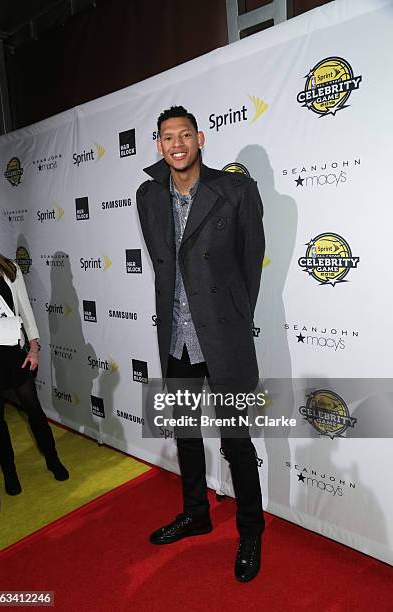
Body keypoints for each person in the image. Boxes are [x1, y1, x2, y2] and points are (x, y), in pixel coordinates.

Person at [136, 106, 265, 582]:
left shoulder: (234, 190)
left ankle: (251, 528)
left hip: (222, 336)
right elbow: (161, 262)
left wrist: (229, 316)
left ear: (200, 139)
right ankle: (196, 513)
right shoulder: (147, 196)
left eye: (185, 135)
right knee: (186, 435)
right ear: (158, 145)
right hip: (176, 338)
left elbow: (251, 263)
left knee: (236, 439)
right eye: (167, 136)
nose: (176, 143)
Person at [0, 221, 69, 495]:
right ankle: (9, 472)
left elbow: (25, 309)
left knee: (34, 411)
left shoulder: (10, 268)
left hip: (14, 353)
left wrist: (34, 346)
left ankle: (53, 459)